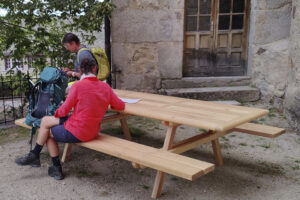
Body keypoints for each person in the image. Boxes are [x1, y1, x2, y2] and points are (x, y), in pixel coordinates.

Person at [15, 58, 125, 180]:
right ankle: (35, 155)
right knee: (46, 121)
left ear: (80, 70)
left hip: (78, 130)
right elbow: (120, 106)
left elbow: (63, 111)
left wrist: (55, 112)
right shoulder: (105, 87)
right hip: (92, 129)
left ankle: (53, 166)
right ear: (95, 68)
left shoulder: (77, 86)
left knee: (46, 132)